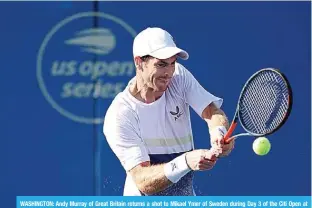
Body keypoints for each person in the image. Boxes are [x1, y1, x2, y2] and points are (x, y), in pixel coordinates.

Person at [103, 27, 235, 196]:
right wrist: (186, 162)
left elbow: (211, 111)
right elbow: (143, 181)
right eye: (161, 64)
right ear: (139, 63)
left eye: (173, 63)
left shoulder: (179, 77)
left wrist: (219, 132)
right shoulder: (120, 114)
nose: (168, 72)